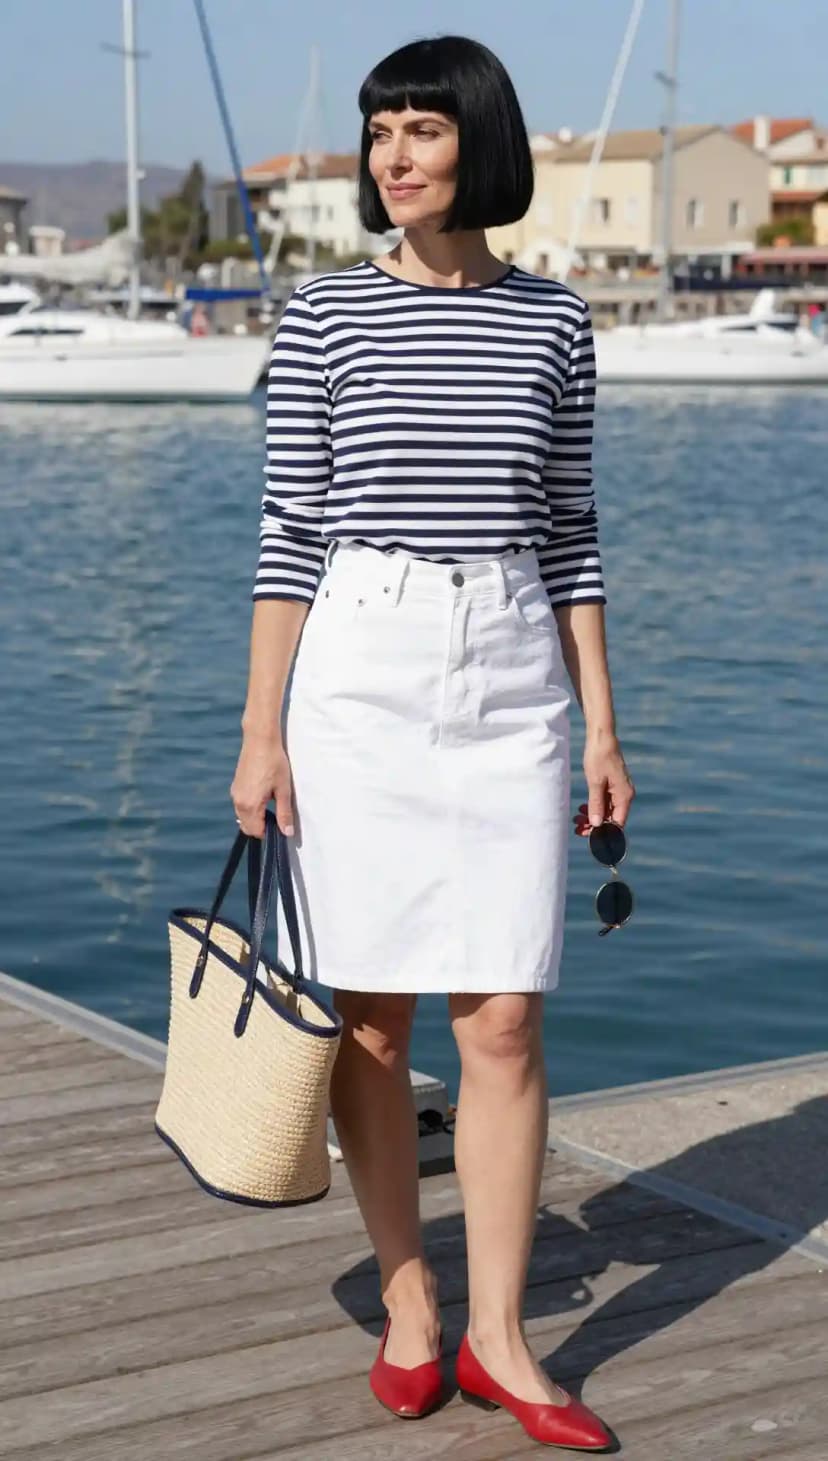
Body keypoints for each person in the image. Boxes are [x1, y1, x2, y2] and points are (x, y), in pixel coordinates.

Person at [231, 33, 634, 1453]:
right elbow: (289, 529)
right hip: (361, 663)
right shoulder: (325, 312)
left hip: (517, 666)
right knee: (374, 1014)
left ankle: (505, 1335)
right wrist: (259, 729)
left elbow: (575, 534)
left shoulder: (556, 324)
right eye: (379, 133)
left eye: (421, 131)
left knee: (507, 1011)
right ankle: (411, 1298)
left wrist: (601, 720)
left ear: (480, 144)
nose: (393, 158)